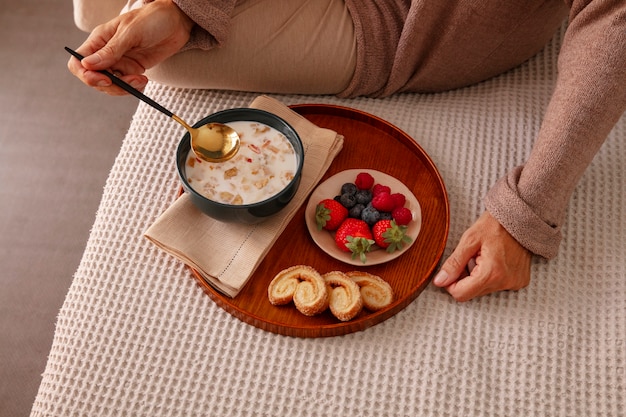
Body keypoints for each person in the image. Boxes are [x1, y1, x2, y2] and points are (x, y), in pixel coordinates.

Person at [67, 0, 626, 301]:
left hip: (413, 21)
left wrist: (528, 212)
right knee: (98, 7)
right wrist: (189, 6)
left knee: (120, 24)